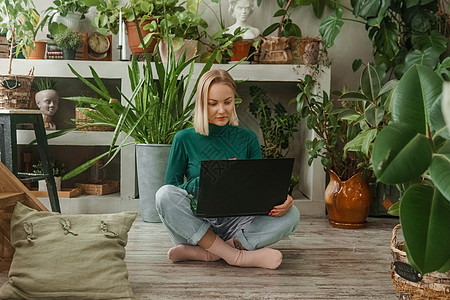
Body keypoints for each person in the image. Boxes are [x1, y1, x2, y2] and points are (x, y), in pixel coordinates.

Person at [155, 69, 300, 269]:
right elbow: (172, 187)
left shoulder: (247, 139)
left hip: (237, 224)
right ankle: (235, 256)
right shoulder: (184, 138)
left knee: (293, 215)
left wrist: (284, 199)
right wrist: (211, 178)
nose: (222, 110)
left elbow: (259, 187)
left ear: (234, 101)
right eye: (213, 104)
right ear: (201, 104)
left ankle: (209, 254)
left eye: (228, 102)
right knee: (163, 195)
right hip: (197, 223)